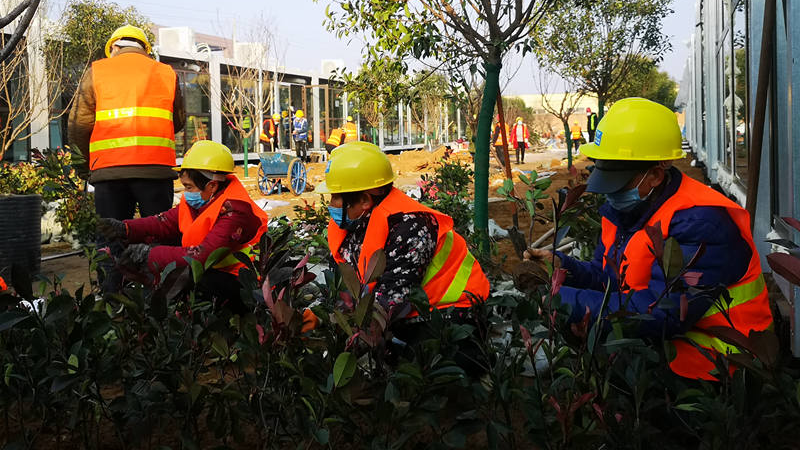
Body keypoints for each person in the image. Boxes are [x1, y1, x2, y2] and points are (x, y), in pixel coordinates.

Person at [526, 98, 773, 381]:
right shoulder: (627, 209)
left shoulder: (701, 223)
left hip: (718, 363)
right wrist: (563, 270)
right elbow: (611, 280)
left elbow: (663, 314)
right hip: (667, 344)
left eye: (616, 181)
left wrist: (560, 299)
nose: (609, 192)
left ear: (655, 175)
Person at [317, 142, 490, 368]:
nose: (331, 204)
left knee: (419, 370)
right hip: (413, 313)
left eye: (336, 197)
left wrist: (333, 329)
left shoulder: (411, 227)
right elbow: (346, 283)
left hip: (454, 315)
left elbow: (390, 299)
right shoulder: (356, 224)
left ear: (364, 201)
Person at [68, 25, 185, 293]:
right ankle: (162, 298)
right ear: (145, 48)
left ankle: (112, 298)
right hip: (155, 172)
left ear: (114, 48)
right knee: (160, 234)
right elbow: (177, 120)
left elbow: (78, 125)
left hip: (109, 174)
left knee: (111, 237)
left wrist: (86, 166)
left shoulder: (97, 71)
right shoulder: (166, 73)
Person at [96, 140, 269, 313]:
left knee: (184, 279)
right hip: (214, 270)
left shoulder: (236, 212)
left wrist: (148, 255)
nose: (186, 192)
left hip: (243, 282)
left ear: (212, 185)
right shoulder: (202, 199)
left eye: (188, 186)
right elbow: (164, 222)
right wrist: (124, 228)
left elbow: (203, 256)